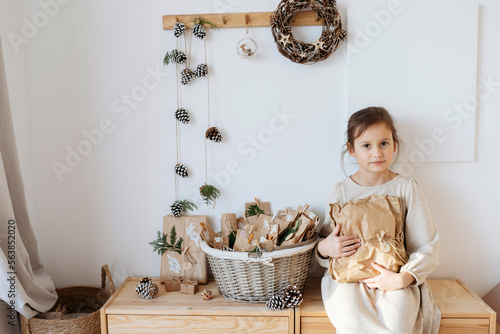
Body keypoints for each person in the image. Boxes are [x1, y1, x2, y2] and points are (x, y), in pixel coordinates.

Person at [315, 107, 440, 333]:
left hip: (394, 277)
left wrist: (404, 279)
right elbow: (325, 242)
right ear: (351, 150)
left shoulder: (406, 188)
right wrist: (325, 247)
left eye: (384, 143)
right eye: (366, 145)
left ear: (395, 145)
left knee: (399, 324)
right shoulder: (341, 191)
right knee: (351, 320)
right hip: (349, 281)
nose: (377, 153)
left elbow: (426, 244)